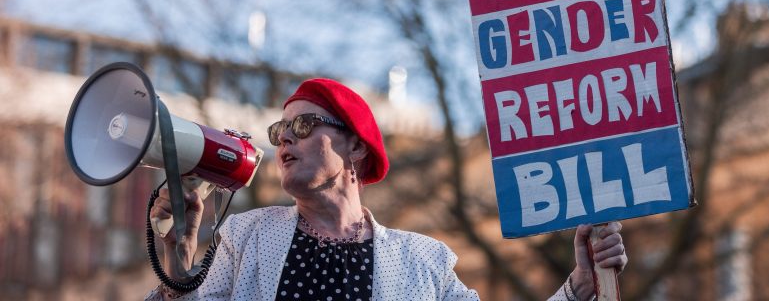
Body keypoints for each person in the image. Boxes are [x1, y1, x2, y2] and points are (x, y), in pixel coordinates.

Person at [146, 78, 628, 300]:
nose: (285, 138)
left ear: (355, 146)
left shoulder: (425, 264)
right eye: (280, 131)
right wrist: (178, 262)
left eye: (305, 124)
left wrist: (579, 288)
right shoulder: (244, 237)